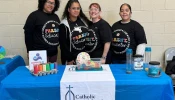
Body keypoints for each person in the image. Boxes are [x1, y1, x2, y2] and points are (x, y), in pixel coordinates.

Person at [59, 0, 90, 65]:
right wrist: (69, 59)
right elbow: (63, 45)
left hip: (84, 58)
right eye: (73, 8)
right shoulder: (64, 25)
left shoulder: (83, 21)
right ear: (68, 9)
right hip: (71, 60)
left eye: (78, 8)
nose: (76, 10)